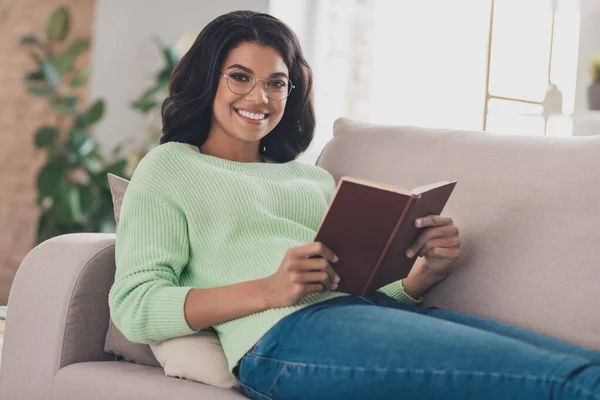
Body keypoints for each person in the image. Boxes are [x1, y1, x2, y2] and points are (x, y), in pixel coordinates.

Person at [108, 10, 600, 400]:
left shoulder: (312, 179)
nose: (260, 96)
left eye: (276, 82)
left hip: (367, 317)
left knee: (582, 368)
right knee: (564, 383)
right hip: (282, 341)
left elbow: (359, 289)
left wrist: (424, 275)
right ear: (207, 79)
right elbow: (136, 306)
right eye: (240, 77)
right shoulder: (170, 166)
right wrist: (270, 289)